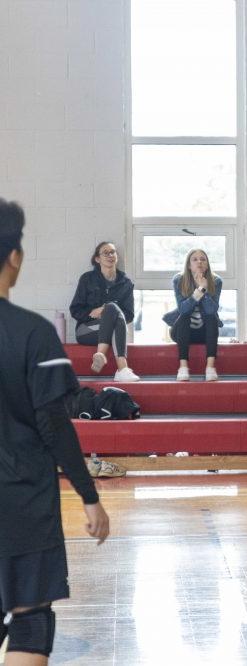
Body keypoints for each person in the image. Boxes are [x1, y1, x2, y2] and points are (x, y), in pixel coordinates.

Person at [0, 198, 111, 665]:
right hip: (23, 502)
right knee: (30, 618)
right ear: (15, 258)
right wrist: (90, 496)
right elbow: (53, 424)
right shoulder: (32, 334)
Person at [69, 241, 140, 382]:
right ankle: (122, 369)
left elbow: (130, 315)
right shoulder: (87, 279)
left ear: (117, 256)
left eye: (113, 252)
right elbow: (75, 309)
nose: (110, 255)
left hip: (113, 330)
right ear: (97, 259)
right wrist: (92, 312)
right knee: (113, 308)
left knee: (112, 308)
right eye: (105, 253)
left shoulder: (126, 283)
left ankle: (101, 355)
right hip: (86, 330)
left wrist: (109, 312)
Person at [163, 249, 223, 382]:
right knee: (185, 316)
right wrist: (199, 290)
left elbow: (211, 310)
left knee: (212, 317)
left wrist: (205, 290)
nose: (199, 262)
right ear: (189, 265)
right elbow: (183, 309)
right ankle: (183, 367)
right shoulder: (179, 280)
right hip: (182, 331)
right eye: (195, 259)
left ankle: (210, 368)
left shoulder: (216, 281)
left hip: (205, 333)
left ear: (207, 264)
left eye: (203, 259)